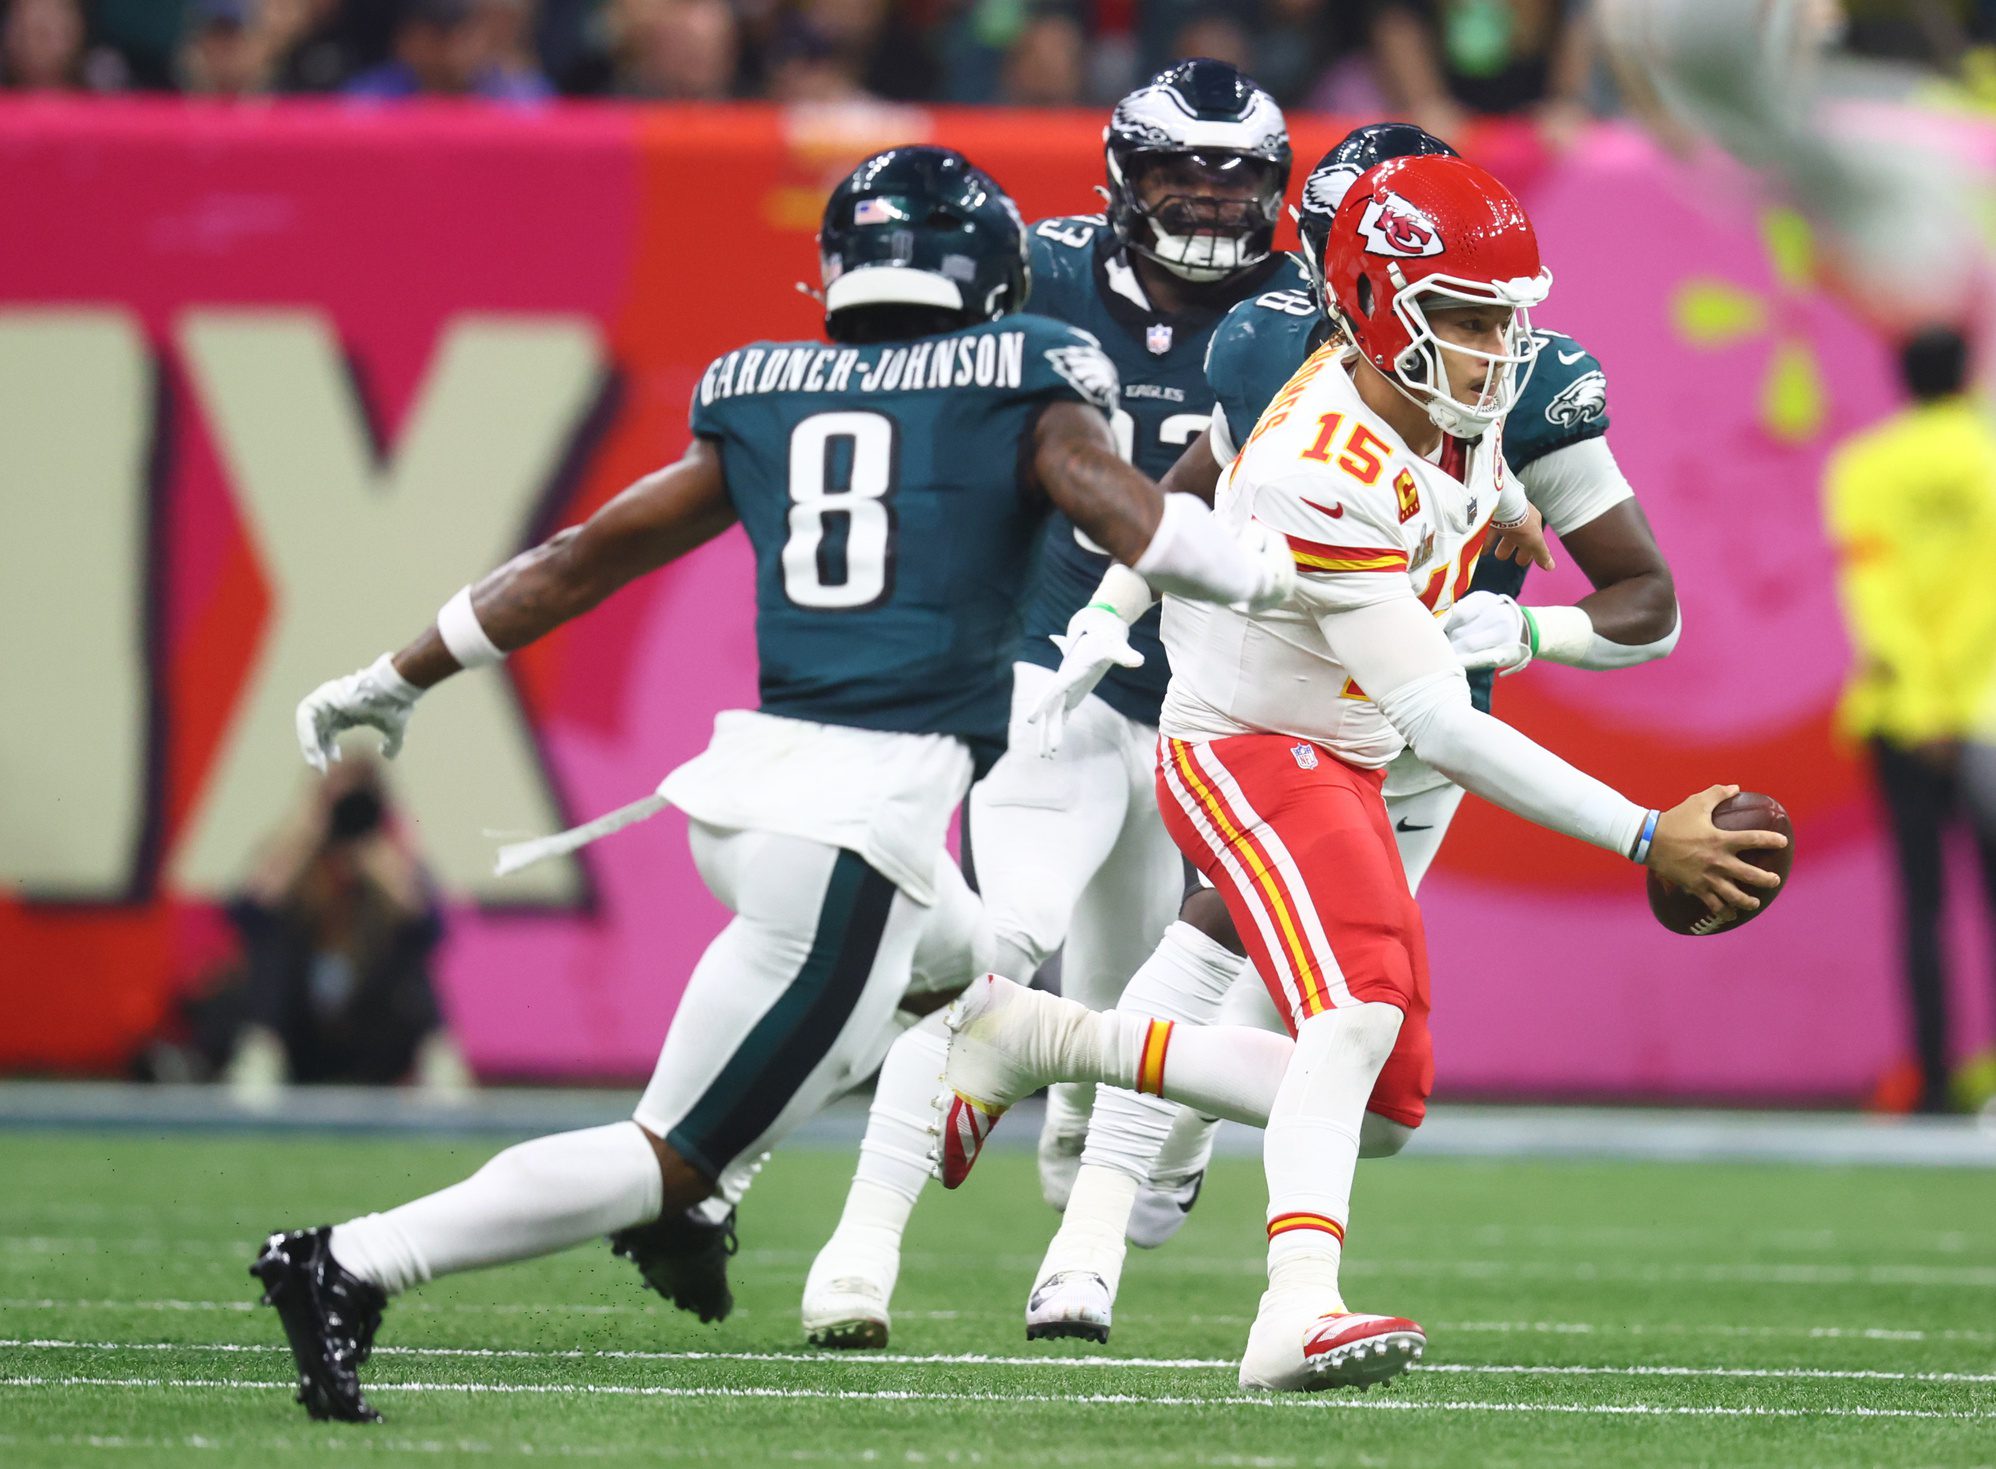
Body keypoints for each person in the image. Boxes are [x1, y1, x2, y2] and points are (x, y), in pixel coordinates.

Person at [250, 144, 1295, 1424]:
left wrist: (393, 675)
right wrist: (1296, 582)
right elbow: (1144, 524)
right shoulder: (1024, 379)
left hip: (748, 795)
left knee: (977, 973)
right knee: (671, 1155)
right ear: (995, 271)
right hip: (864, 829)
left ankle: (724, 1204)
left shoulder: (767, 387)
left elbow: (582, 556)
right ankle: (353, 1260)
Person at [932, 152, 1784, 1394]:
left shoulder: (1445, 406)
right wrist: (1646, 833)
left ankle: (1040, 1032)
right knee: (1357, 1005)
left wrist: (1504, 567)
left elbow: (1563, 581)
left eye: (1506, 314)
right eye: (1467, 316)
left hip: (1339, 743)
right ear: (1382, 307)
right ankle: (1293, 1308)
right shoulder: (1319, 457)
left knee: (1384, 1106)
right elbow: (1440, 723)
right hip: (1253, 748)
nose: (1500, 345)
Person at [799, 58, 1308, 1350]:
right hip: (1058, 672)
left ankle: (1099, 1195)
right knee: (998, 943)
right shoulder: (1043, 269)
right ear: (1121, 175)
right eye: (1178, 167)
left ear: (1276, 187)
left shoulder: (1313, 314)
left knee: (1142, 1012)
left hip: (1224, 696)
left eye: (1235, 170)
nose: (1204, 191)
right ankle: (858, 1249)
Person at [1826, 325, 1996, 1114]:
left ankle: (1934, 1076)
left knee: (1923, 901)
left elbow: (1878, 597)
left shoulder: (1868, 467)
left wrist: (1925, 702)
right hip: (1986, 713)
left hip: (1907, 717)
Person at [217, 756, 459, 1093]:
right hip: (299, 1030)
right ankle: (260, 1056)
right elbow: (246, 916)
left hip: (367, 1029)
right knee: (271, 943)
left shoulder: (391, 866)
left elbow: (431, 934)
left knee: (409, 958)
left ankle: (439, 1066)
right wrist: (300, 835)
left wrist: (390, 873)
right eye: (334, 801)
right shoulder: (296, 865)